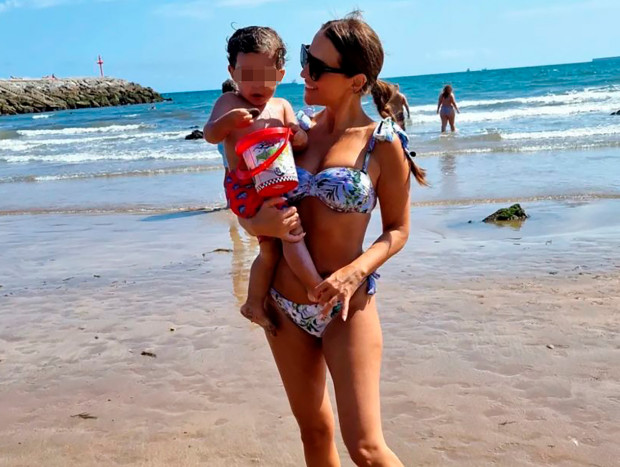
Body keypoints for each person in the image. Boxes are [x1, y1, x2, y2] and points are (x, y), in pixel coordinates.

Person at [237, 12, 427, 466]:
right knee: (315, 432)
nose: (304, 71)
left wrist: (351, 274)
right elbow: (250, 212)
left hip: (348, 306)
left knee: (365, 447)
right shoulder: (290, 134)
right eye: (306, 58)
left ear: (356, 80)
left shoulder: (382, 144)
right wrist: (262, 226)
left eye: (317, 66)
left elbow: (397, 230)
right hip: (283, 304)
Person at [204, 26, 323, 335]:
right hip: (245, 186)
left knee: (270, 251)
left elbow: (299, 139)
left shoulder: (282, 106)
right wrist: (227, 122)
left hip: (277, 179)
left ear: (281, 74)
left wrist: (299, 137)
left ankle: (253, 304)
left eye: (265, 75)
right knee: (291, 231)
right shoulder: (229, 104)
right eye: (247, 75)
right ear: (232, 71)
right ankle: (318, 290)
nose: (257, 84)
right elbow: (209, 135)